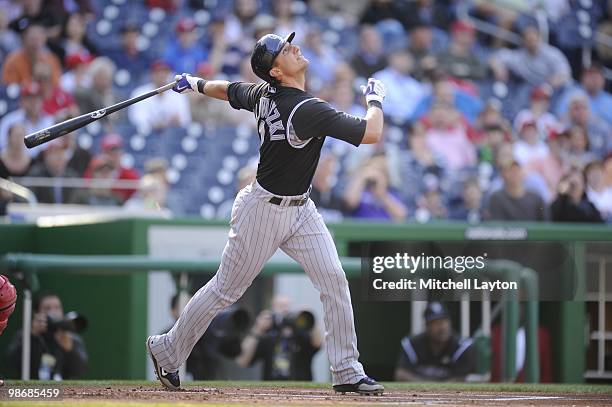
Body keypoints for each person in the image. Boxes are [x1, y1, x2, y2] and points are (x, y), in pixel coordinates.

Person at [147, 31, 387, 395]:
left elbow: (227, 89)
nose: (293, 47)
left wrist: (194, 82)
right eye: (283, 50)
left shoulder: (264, 94)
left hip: (301, 209)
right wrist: (375, 99)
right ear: (276, 71)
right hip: (263, 209)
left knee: (334, 280)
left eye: (288, 44)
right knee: (225, 291)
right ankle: (166, 350)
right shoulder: (306, 109)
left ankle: (346, 369)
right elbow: (371, 133)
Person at [235, 295, 322, 380]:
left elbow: (317, 343)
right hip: (272, 390)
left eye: (287, 306)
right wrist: (257, 329)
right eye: (280, 306)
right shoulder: (267, 336)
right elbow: (243, 360)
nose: (285, 310)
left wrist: (309, 318)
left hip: (301, 390)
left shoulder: (301, 334)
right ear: (272, 310)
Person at [5, 291, 88, 380]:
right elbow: (10, 363)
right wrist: (32, 336)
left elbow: (81, 370)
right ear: (37, 313)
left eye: (57, 307)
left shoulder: (71, 337)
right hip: (33, 390)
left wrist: (70, 350)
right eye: (47, 308)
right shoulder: (24, 335)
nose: (53, 312)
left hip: (63, 390)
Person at [394, 302, 476, 382]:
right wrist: (428, 386)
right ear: (427, 326)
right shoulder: (413, 343)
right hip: (419, 392)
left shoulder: (461, 346)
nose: (442, 327)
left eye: (445, 321)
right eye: (436, 323)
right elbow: (401, 374)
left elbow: (464, 378)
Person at [489, 24, 571, 90]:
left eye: (534, 40)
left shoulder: (551, 53)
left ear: (539, 39)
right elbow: (497, 57)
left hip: (559, 89)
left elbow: (565, 74)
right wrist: (499, 69)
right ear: (524, 42)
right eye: (529, 41)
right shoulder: (520, 57)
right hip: (533, 89)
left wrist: (550, 85)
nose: (532, 43)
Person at [127, 60, 191, 134]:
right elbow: (137, 120)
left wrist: (176, 121)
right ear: (152, 74)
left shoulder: (178, 94)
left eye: (165, 72)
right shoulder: (140, 93)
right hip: (147, 136)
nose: (161, 75)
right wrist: (157, 124)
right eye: (158, 72)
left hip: (172, 136)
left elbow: (185, 120)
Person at [2, 20, 62, 86]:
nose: (36, 43)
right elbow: (10, 90)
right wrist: (34, 79)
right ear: (23, 38)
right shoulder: (13, 60)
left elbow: (56, 88)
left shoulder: (51, 60)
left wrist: (46, 79)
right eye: (32, 38)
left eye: (39, 37)